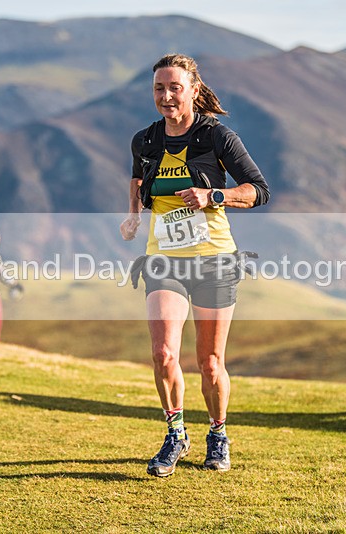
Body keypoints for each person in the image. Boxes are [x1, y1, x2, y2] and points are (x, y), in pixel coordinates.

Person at [120, 54, 270, 477]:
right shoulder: (145, 140)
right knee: (163, 352)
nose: (166, 96)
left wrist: (214, 196)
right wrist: (133, 214)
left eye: (175, 88)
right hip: (164, 261)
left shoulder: (217, 137)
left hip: (214, 261)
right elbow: (137, 178)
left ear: (193, 90)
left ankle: (218, 434)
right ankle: (175, 435)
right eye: (159, 88)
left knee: (210, 362)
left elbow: (258, 190)